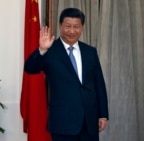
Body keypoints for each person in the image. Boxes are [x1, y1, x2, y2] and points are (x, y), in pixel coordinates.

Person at [24, 8, 109, 141]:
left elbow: (99, 84)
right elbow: (30, 68)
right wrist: (42, 49)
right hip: (62, 123)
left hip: (89, 122)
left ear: (82, 27)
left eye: (76, 27)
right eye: (68, 26)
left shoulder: (90, 51)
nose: (72, 31)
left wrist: (103, 114)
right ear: (60, 26)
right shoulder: (50, 50)